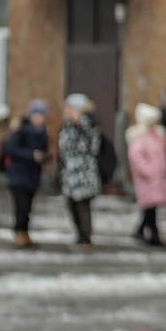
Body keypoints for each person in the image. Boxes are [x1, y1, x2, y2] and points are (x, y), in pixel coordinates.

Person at [0, 100, 50, 249]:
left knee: (28, 206)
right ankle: (19, 233)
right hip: (18, 175)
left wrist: (46, 157)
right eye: (37, 114)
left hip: (33, 176)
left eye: (42, 115)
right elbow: (9, 149)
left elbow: (44, 151)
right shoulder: (20, 131)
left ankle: (25, 233)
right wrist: (31, 155)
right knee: (21, 206)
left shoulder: (42, 133)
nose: (39, 118)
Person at [56, 94, 103, 249]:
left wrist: (81, 123)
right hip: (69, 174)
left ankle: (86, 237)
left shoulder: (89, 126)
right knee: (71, 206)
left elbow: (93, 146)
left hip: (84, 174)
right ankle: (79, 235)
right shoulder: (66, 127)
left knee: (83, 207)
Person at [125, 103, 166, 247]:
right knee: (149, 209)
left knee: (151, 209)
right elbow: (136, 157)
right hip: (147, 179)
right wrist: (149, 171)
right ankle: (152, 234)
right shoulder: (139, 137)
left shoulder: (157, 136)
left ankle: (145, 232)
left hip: (158, 179)